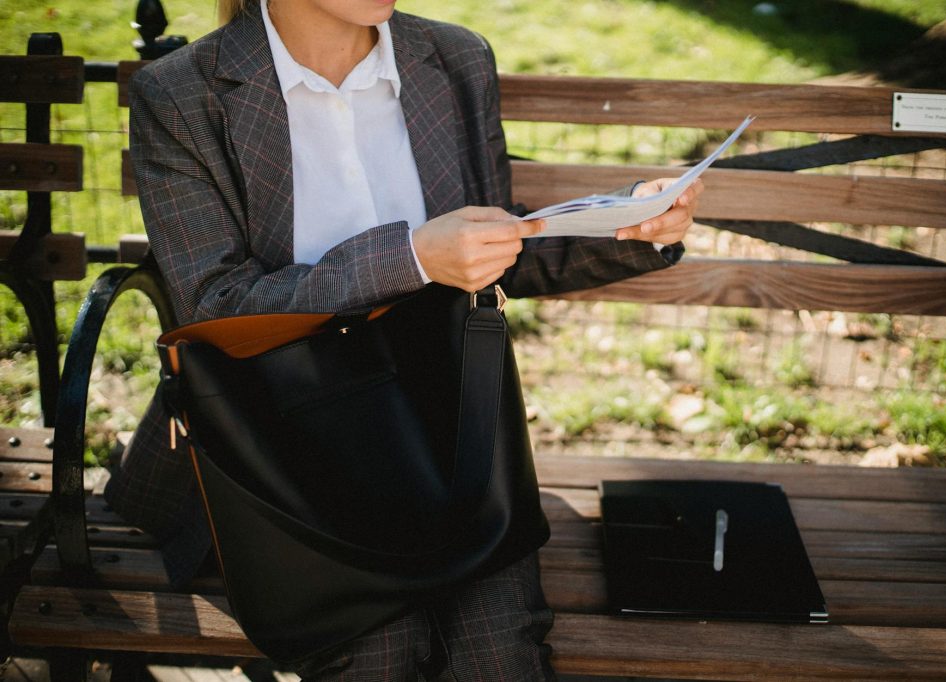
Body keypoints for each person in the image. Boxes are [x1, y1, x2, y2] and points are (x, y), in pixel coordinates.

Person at [106, 0, 704, 679]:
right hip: (280, 438)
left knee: (500, 652)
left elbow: (490, 247)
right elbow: (216, 305)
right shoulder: (181, 92)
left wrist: (630, 223)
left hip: (444, 428)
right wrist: (413, 257)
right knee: (378, 654)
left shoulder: (453, 58)